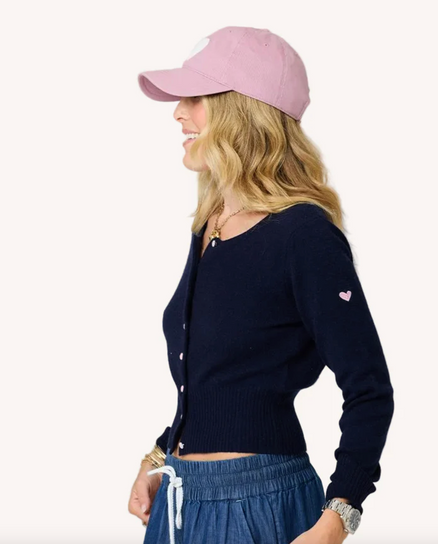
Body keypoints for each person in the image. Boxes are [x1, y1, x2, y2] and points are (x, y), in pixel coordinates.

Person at [128, 26, 394, 544]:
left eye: (196, 98)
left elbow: (369, 389)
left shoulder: (304, 235)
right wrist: (161, 456)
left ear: (240, 110)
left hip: (256, 506)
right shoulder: (210, 226)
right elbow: (219, 379)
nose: (179, 112)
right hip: (179, 503)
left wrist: (336, 519)